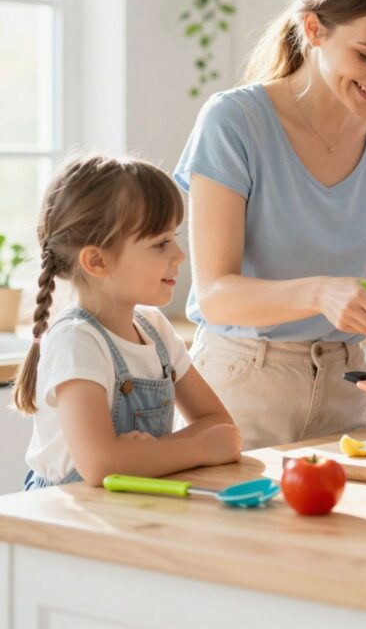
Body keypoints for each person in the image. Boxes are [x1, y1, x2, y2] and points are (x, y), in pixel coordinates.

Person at [174, 0, 366, 450]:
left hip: (347, 390)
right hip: (242, 392)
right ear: (314, 28)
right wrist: (320, 292)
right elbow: (215, 295)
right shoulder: (235, 122)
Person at [13, 157, 241, 488]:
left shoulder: (155, 329)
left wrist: (143, 455)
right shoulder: (76, 341)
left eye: (173, 237)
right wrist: (197, 447)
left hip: (130, 508)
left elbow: (220, 424)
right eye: (160, 243)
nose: (179, 255)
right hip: (66, 516)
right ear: (97, 260)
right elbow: (101, 464)